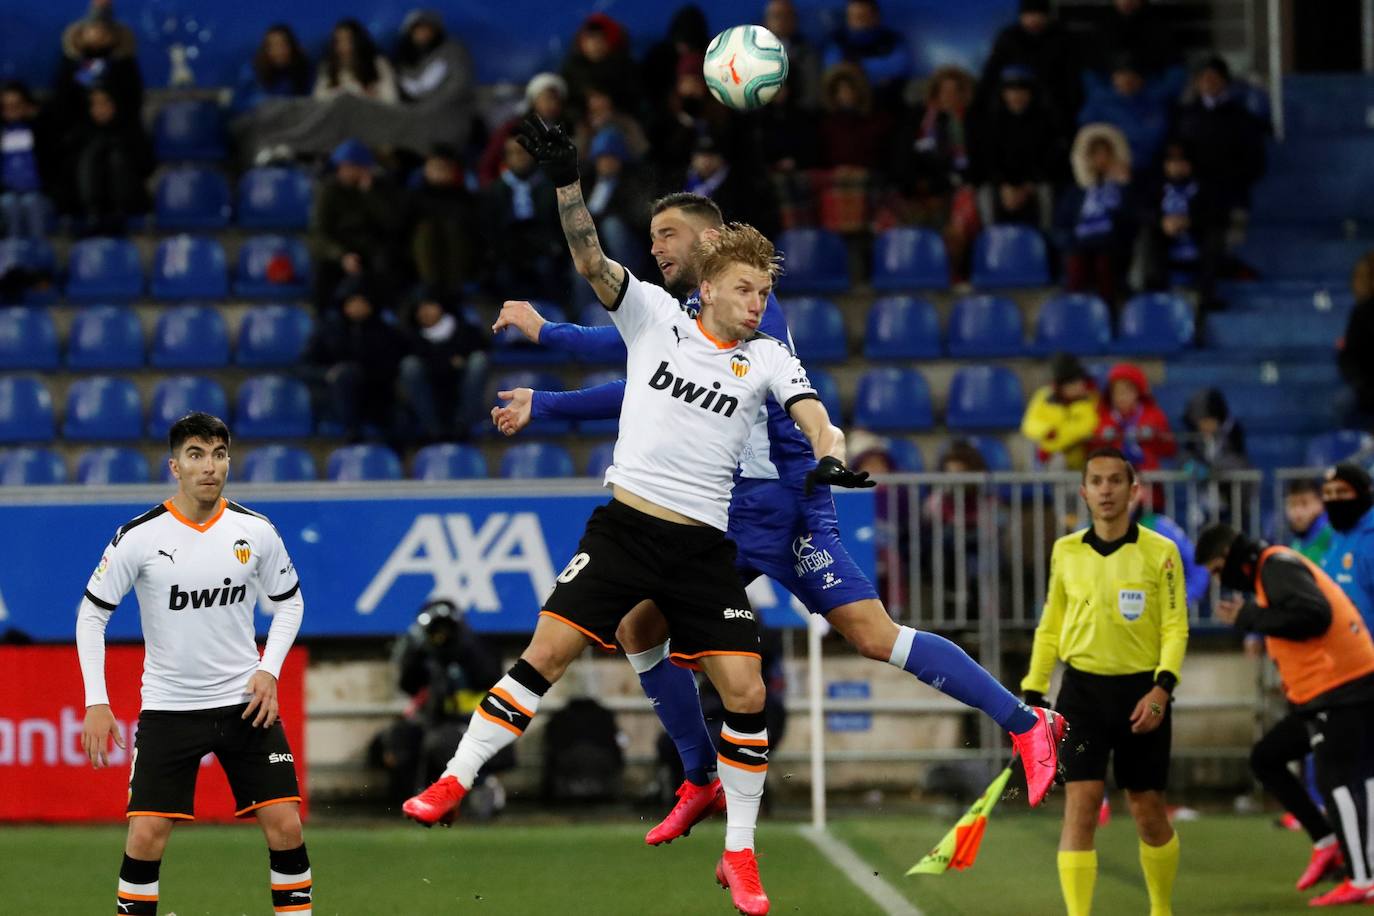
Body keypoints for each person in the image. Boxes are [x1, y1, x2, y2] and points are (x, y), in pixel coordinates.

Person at [485, 182, 1064, 849]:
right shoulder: (692, 314)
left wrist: (543, 345)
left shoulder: (749, 314)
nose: (654, 249)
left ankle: (1022, 724)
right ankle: (700, 775)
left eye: (665, 235)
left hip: (779, 504)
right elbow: (633, 368)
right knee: (644, 626)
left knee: (863, 635)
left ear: (708, 243)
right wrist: (549, 374)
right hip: (744, 505)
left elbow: (623, 359)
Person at [407, 219, 865, 916]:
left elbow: (814, 414)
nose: (755, 303)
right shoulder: (653, 314)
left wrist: (830, 451)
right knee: (547, 652)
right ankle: (454, 778)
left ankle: (739, 853)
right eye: (744, 289)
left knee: (744, 693)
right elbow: (591, 259)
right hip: (625, 528)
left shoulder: (769, 356)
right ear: (707, 288)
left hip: (704, 546)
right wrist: (567, 187)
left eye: (763, 291)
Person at [77, 413, 310, 916]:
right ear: (174, 467)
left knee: (286, 824)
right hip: (170, 707)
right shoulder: (138, 537)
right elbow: (91, 615)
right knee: (146, 834)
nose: (210, 466)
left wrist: (269, 668)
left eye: (219, 454)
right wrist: (97, 701)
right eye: (196, 455)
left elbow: (290, 602)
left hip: (245, 705)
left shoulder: (256, 531)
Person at [1022, 447, 1188, 916]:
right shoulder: (1065, 551)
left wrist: (1162, 690)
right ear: (1084, 491)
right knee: (1082, 803)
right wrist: (1034, 692)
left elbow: (1175, 626)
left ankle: (1161, 908)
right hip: (1082, 694)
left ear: (1134, 490)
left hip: (1143, 694)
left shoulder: (1162, 552)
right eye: (1097, 481)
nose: (1106, 490)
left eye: (1116, 480)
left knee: (1148, 810)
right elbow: (1050, 624)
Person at [1197, 524, 1374, 906]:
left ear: (1228, 556)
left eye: (1215, 569)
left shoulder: (1274, 566)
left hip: (1341, 688)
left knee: (1339, 780)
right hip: (1325, 691)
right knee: (1268, 758)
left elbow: (1314, 616)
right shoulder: (1270, 568)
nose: (1217, 579)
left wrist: (1251, 617)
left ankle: (1362, 878)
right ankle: (1328, 842)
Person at [377, 599, 505, 808]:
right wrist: (418, 654)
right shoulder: (428, 654)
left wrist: (458, 649)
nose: (440, 635)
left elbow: (488, 676)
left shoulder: (478, 648)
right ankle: (410, 799)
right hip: (438, 721)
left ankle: (484, 786)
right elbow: (408, 685)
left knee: (441, 742)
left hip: (478, 723)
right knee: (400, 736)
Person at [309, 139, 408, 310]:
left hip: (373, 248)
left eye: (353, 167)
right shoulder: (328, 191)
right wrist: (341, 255)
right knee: (322, 271)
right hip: (341, 248)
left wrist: (370, 194)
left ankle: (387, 317)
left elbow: (393, 223)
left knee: (388, 266)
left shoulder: (382, 188)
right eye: (344, 167)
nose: (347, 172)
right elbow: (320, 232)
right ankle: (323, 321)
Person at [307, 277, 407, 442]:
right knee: (345, 374)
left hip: (376, 398)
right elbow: (305, 367)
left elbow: (393, 367)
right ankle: (351, 433)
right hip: (335, 399)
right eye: (352, 301)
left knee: (401, 420)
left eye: (362, 301)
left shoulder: (386, 332)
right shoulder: (327, 330)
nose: (357, 306)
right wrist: (329, 374)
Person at [1174, 56, 1266, 221]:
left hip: (1230, 195)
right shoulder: (1184, 114)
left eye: (1213, 77)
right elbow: (1176, 152)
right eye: (1203, 78)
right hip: (1192, 195)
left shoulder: (1241, 117)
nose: (1208, 82)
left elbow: (1255, 161)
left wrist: (1232, 180)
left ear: (1225, 81)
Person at [1058, 123, 1137, 308]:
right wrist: (1071, 242)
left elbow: (1131, 222)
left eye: (1105, 154)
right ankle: (1074, 314)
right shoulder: (1076, 191)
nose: (1101, 159)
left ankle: (1106, 315)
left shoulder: (1123, 188)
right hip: (1079, 245)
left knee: (1104, 263)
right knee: (1076, 263)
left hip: (1111, 246)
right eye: (1096, 154)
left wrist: (1123, 187)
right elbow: (1060, 224)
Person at [479, 135, 566, 302]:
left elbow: (558, 222)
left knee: (548, 270)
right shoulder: (495, 190)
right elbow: (490, 228)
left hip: (544, 247)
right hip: (509, 250)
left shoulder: (550, 185)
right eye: (512, 153)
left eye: (523, 152)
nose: (519, 157)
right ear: (505, 158)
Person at [397, 287, 489, 443]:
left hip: (461, 391)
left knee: (479, 360)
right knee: (409, 365)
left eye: (429, 305)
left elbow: (482, 345)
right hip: (430, 394)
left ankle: (463, 426)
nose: (424, 312)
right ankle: (434, 431)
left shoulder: (464, 329)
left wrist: (441, 361)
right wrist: (450, 361)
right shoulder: (410, 336)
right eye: (419, 308)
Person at [971, 66, 1059, 229]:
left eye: (1022, 91)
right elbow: (987, 161)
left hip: (1033, 184)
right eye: (1011, 91)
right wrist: (1004, 186)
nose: (1017, 96)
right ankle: (992, 239)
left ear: (1031, 94)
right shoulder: (991, 123)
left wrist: (1027, 187)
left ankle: (1046, 240)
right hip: (1002, 187)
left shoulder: (1046, 122)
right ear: (1003, 94)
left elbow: (1049, 160)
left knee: (1046, 191)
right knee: (984, 193)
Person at [975, 0, 1081, 133]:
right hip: (1012, 109)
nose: (1034, 20)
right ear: (1021, 16)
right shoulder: (1008, 37)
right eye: (1029, 15)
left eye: (1039, 14)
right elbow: (990, 74)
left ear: (1047, 16)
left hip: (1053, 108)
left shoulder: (1061, 38)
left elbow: (1071, 79)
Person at [66, 86, 152, 236]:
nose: (100, 109)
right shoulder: (80, 135)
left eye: (104, 103)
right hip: (85, 205)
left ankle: (116, 214)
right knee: (89, 156)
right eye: (95, 104)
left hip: (127, 203)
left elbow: (147, 165)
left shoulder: (130, 130)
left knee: (116, 158)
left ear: (114, 104)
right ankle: (93, 214)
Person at [1076, 55, 1173, 180]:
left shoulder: (1154, 101)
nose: (1126, 81)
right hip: (1109, 169)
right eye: (1121, 75)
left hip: (1149, 169)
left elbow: (1155, 137)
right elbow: (1087, 135)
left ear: (1140, 79)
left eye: (1131, 76)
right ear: (1113, 78)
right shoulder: (1100, 101)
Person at [408, 144, 478, 297]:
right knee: (426, 231)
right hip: (419, 269)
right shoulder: (414, 197)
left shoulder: (465, 198)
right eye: (435, 167)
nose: (439, 172)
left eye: (444, 167)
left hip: (458, 271)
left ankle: (454, 289)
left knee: (454, 229)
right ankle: (430, 288)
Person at [53, 16, 144, 133]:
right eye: (93, 30)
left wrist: (111, 106)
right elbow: (64, 97)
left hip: (121, 128)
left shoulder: (123, 64)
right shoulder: (73, 65)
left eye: (104, 31)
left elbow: (133, 96)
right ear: (80, 35)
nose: (98, 35)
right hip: (79, 128)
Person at [478, 72, 569, 187]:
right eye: (546, 99)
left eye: (556, 99)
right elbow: (488, 163)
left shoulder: (568, 129)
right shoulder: (514, 128)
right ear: (533, 100)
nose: (551, 104)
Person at [822, 0, 912, 112]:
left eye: (862, 16)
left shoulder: (892, 40)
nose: (857, 22)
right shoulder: (837, 40)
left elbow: (898, 68)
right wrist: (874, 74)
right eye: (852, 17)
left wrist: (855, 69)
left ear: (875, 17)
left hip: (885, 105)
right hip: (847, 107)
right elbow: (834, 72)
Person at [1090, 363, 1176, 473]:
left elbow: (1169, 448)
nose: (1121, 397)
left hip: (1147, 479)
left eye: (1127, 391)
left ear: (1138, 392)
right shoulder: (1103, 416)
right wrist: (1103, 438)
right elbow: (1091, 449)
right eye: (1116, 392)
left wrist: (1154, 435)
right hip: (1111, 477)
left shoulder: (1154, 415)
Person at [1021, 353, 1099, 470]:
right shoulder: (1043, 396)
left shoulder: (1089, 402)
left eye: (1081, 381)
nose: (1080, 386)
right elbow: (1029, 424)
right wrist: (1046, 431)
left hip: (1078, 463)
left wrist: (1048, 447)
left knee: (1058, 459)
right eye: (1074, 383)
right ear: (1061, 386)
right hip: (1047, 457)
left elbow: (1080, 430)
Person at [0, 81, 57, 238]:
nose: (11, 110)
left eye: (16, 105)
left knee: (32, 202)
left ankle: (37, 255)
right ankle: (11, 258)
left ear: (26, 105)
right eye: (6, 106)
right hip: (7, 193)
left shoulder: (40, 129)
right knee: (8, 203)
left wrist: (36, 117)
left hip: (38, 193)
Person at [1321, 462, 1374, 628]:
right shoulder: (1336, 535)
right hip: (1344, 648)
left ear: (1363, 493)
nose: (1334, 499)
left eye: (1342, 491)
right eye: (1328, 493)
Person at [561, 13, 639, 121]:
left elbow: (635, 99)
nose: (595, 45)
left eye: (601, 40)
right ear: (582, 42)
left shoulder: (625, 67)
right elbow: (565, 101)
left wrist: (611, 106)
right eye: (590, 39)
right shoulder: (572, 68)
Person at [392, 10, 474, 107]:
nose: (423, 34)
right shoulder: (402, 56)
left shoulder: (452, 51)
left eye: (428, 29)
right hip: (413, 111)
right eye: (418, 29)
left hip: (447, 109)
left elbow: (458, 83)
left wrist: (431, 106)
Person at [231, 24, 312, 115]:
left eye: (283, 45)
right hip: (258, 123)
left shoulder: (302, 70)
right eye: (272, 46)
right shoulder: (252, 71)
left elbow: (308, 103)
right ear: (265, 49)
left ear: (292, 47)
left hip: (293, 124)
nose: (278, 51)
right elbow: (237, 105)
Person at [314, 19, 398, 104]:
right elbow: (318, 101)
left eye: (348, 41)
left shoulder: (378, 64)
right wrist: (344, 92)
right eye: (338, 41)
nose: (343, 47)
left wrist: (363, 96)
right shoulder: (328, 67)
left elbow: (390, 101)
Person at [763, 0, 822, 109]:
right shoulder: (754, 54)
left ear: (794, 20)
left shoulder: (808, 52)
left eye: (786, 16)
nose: (781, 21)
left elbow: (812, 94)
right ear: (767, 20)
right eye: (776, 16)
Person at [1338, 251, 1374, 424]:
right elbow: (1348, 357)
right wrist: (1361, 384)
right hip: (1368, 387)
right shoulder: (1362, 313)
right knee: (1342, 402)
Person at [1180, 388, 1247, 476]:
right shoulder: (1196, 435)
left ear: (1217, 418)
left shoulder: (1233, 431)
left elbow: (1238, 461)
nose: (1203, 427)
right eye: (1199, 423)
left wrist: (1210, 469)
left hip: (1233, 487)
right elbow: (1184, 457)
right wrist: (1188, 465)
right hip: (1205, 488)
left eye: (1206, 421)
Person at [1286, 479, 1333, 564]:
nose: (1297, 511)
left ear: (1320, 504)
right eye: (1292, 504)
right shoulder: (1295, 544)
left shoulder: (1334, 536)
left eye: (1305, 503)